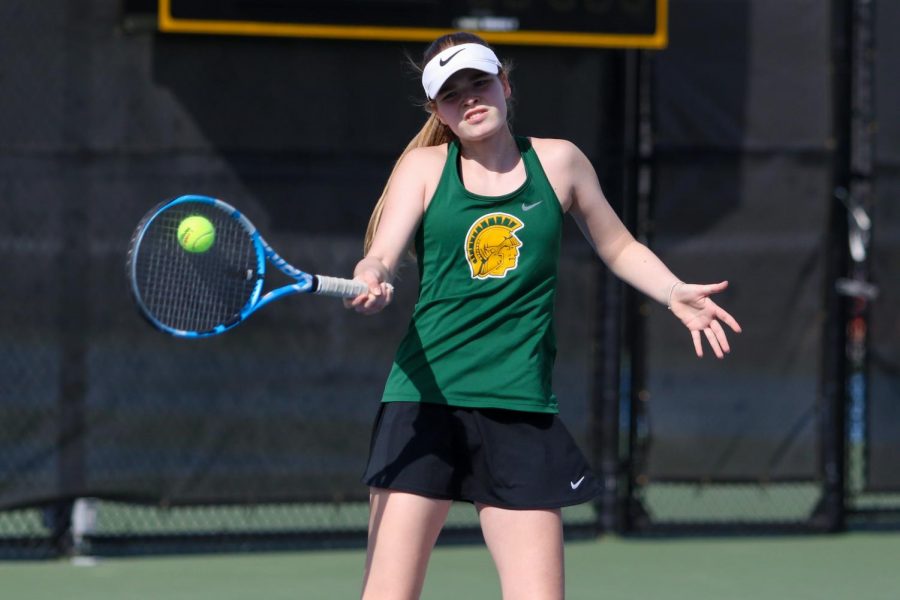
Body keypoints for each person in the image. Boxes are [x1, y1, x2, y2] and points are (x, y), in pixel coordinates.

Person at [347, 32, 741, 600]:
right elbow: (382, 254)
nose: (470, 99)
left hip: (519, 405)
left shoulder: (560, 162)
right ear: (438, 111)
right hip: (423, 402)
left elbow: (619, 247)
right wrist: (372, 275)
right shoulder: (424, 167)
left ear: (505, 85)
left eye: (479, 83)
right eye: (452, 93)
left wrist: (673, 290)